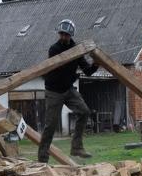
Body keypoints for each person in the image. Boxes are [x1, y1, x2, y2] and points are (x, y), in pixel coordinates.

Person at [38, 19, 98, 163]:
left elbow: (88, 71)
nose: (64, 37)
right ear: (59, 34)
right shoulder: (54, 49)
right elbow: (58, 68)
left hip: (68, 89)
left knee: (84, 112)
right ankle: (42, 159)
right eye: (62, 34)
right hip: (53, 91)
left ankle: (76, 147)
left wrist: (96, 63)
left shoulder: (77, 50)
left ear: (71, 35)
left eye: (66, 35)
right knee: (50, 125)